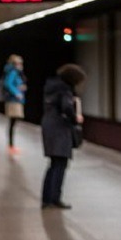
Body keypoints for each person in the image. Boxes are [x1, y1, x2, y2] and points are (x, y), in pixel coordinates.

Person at [40, 63, 86, 209]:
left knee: (53, 164)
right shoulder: (65, 89)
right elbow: (66, 107)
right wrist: (75, 118)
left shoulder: (51, 86)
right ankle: (55, 198)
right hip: (60, 128)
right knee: (60, 164)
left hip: (48, 125)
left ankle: (46, 199)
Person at [2, 54, 27, 155]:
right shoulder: (13, 72)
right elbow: (8, 83)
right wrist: (17, 93)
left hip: (16, 100)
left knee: (13, 123)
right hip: (13, 101)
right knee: (12, 122)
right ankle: (11, 145)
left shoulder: (15, 72)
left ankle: (11, 145)